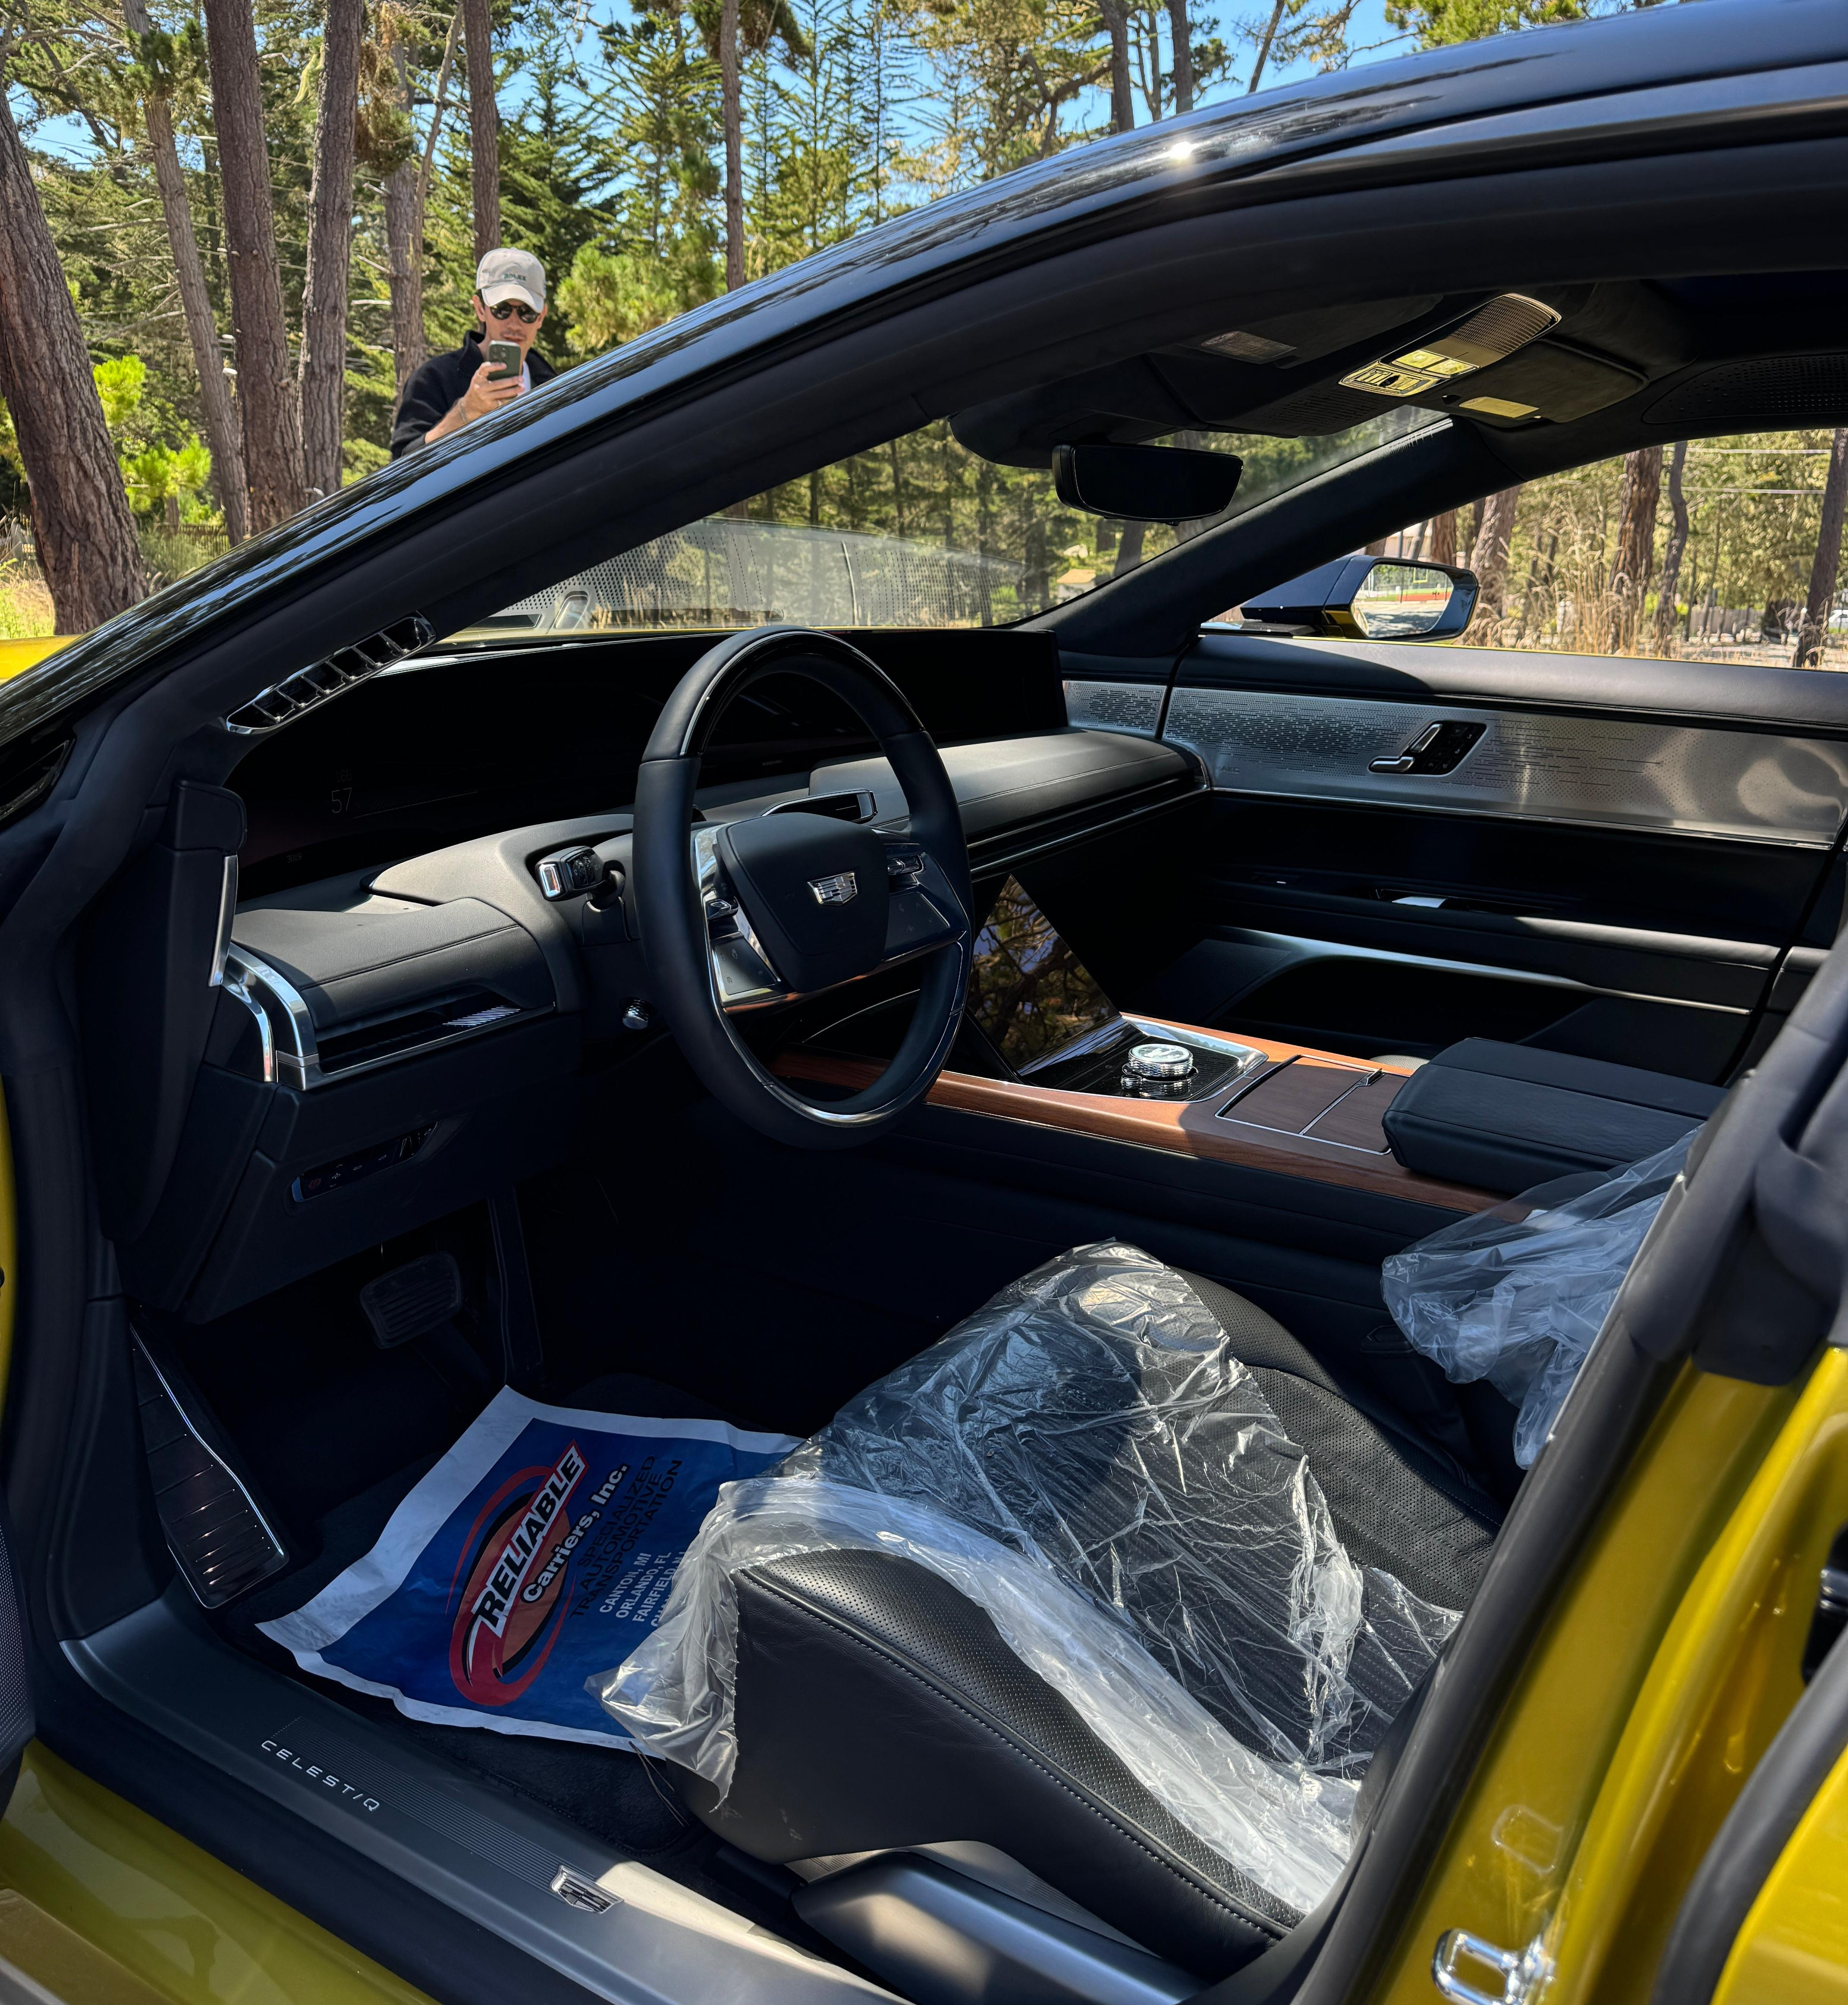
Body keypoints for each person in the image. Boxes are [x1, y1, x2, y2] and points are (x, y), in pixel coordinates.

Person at [390, 249, 557, 458]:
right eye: (502, 309)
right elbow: (401, 469)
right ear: (480, 309)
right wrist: (464, 412)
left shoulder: (553, 386)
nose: (514, 324)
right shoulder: (433, 379)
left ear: (541, 317)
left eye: (527, 312)